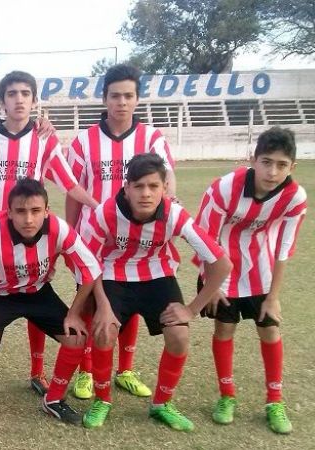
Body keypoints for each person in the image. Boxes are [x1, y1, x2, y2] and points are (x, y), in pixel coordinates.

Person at [80, 153, 231, 431]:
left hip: (158, 274)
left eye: (153, 186)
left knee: (180, 334)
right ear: (126, 188)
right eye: (138, 186)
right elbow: (88, 263)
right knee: (104, 331)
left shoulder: (174, 214)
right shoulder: (105, 212)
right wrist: (101, 305)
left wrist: (192, 309)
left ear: (165, 189)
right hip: (113, 274)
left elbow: (221, 263)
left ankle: (162, 404)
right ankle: (101, 400)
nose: (146, 194)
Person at [0, 70, 97, 395]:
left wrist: (99, 207)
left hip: (35, 235)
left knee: (35, 291)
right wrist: (3, 219)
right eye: (12, 93)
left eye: (25, 93)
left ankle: (37, 372)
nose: (18, 99)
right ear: (1, 101)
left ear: (33, 100)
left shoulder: (45, 139)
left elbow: (69, 183)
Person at [65, 63, 179, 400]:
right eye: (115, 96)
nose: (122, 102)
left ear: (137, 99)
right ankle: (86, 372)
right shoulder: (84, 141)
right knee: (90, 304)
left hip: (140, 241)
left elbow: (168, 183)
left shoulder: (152, 139)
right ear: (104, 99)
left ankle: (125, 369)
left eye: (128, 95)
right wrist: (71, 236)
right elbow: (73, 189)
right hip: (95, 241)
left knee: (129, 303)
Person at [193, 127, 306, 434]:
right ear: (252, 159)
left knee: (269, 332)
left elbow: (284, 247)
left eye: (282, 165)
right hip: (222, 272)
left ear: (292, 167)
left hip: (261, 271)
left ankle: (274, 400)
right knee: (224, 329)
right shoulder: (224, 189)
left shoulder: (295, 197)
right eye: (266, 162)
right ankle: (227, 395)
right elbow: (206, 240)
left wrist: (273, 296)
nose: (272, 171)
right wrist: (210, 286)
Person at [0, 178, 103, 430]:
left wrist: (74, 314)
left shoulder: (59, 228)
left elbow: (91, 269)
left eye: (35, 211)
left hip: (37, 291)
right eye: (20, 211)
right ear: (8, 212)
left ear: (47, 211)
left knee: (76, 336)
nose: (28, 219)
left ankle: (54, 399)